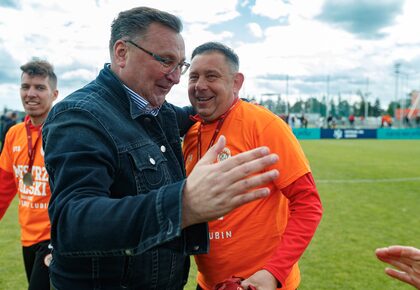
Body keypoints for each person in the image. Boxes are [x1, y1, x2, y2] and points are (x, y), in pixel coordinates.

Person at [42, 7, 279, 290]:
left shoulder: (160, 112)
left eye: (180, 65)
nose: (176, 78)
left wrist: (238, 102)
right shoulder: (79, 115)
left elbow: (200, 111)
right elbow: (73, 223)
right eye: (166, 61)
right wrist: (183, 204)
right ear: (121, 53)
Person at [183, 42, 323, 290]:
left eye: (211, 76)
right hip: (207, 284)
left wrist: (273, 272)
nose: (200, 85)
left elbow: (308, 204)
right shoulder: (192, 134)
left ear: (236, 82)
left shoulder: (265, 125)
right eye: (193, 76)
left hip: (260, 284)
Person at [0, 59, 58, 290]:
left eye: (39, 87)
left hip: (55, 237)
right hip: (28, 236)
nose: (31, 93)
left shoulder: (64, 131)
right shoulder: (14, 134)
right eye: (26, 87)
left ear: (54, 94)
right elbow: (4, 187)